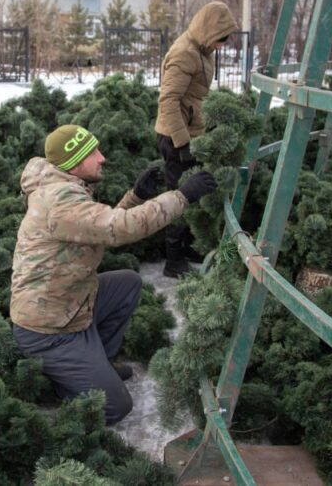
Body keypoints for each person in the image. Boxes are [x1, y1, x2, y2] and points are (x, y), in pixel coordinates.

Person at [11, 124, 217, 425]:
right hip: (49, 331)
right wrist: (182, 196)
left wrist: (135, 196)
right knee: (114, 406)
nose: (102, 157)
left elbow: (95, 229)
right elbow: (117, 229)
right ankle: (69, 381)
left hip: (68, 305)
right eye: (92, 153)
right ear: (73, 162)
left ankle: (98, 362)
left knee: (127, 283)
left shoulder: (60, 189)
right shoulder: (59, 201)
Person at [155, 1, 238, 277]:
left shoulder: (202, 48)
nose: (222, 46)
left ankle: (186, 247)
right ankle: (173, 260)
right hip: (175, 137)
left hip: (192, 134)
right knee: (179, 195)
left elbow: (194, 96)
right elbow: (168, 101)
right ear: (208, 31)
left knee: (193, 195)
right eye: (220, 39)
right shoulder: (184, 54)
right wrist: (182, 144)